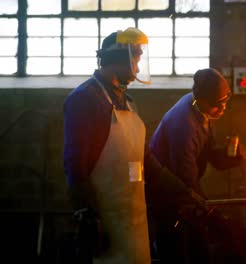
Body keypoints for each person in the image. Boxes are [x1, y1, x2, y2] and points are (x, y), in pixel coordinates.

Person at [63, 27, 154, 264]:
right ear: (120, 59)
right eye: (136, 58)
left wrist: (183, 191)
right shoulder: (85, 99)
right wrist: (87, 217)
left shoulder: (127, 101)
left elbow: (146, 160)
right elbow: (75, 167)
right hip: (105, 223)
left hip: (134, 219)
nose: (137, 66)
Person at [147, 68, 246, 263]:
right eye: (218, 105)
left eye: (225, 103)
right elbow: (186, 180)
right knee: (180, 253)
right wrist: (211, 213)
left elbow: (210, 155)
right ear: (201, 99)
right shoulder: (183, 126)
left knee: (199, 248)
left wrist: (232, 158)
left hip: (184, 193)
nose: (223, 109)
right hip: (168, 197)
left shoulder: (200, 110)